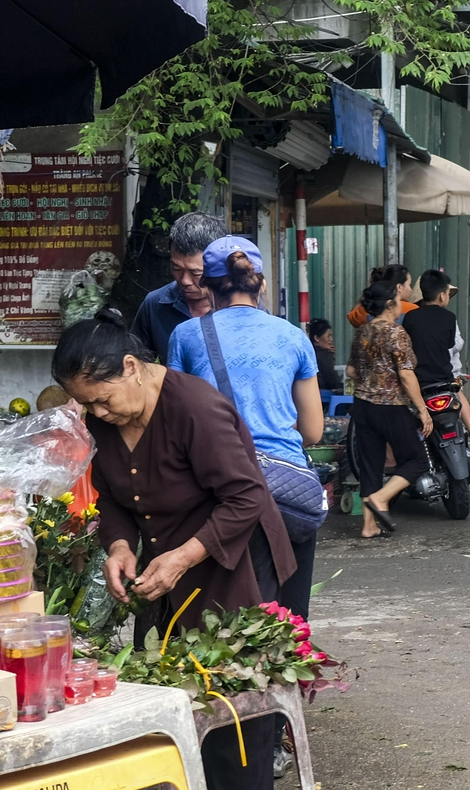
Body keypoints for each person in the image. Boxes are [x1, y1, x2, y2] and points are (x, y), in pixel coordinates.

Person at [53, 313, 296, 790]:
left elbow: (244, 497)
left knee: (233, 693)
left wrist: (186, 556)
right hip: (170, 560)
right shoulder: (109, 421)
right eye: (88, 405)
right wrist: (117, 544)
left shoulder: (195, 408)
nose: (99, 414)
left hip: (234, 555)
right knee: (178, 687)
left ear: (132, 368)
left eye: (104, 398)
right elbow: (112, 494)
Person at [165, 233, 324, 615]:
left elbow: (173, 418)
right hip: (288, 490)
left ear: (207, 287)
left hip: (215, 489)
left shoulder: (185, 336)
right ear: (262, 284)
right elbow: (313, 432)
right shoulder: (294, 337)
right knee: (288, 613)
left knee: (222, 613)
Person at [347, 281, 433, 538]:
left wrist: (370, 380)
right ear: (389, 304)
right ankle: (382, 498)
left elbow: (351, 370)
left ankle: (368, 526)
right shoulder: (397, 333)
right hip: (391, 407)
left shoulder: (362, 332)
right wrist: (422, 410)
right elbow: (406, 376)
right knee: (417, 460)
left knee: (371, 466)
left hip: (362, 406)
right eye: (398, 299)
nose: (401, 305)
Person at [402, 268, 470, 445]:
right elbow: (450, 344)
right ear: (441, 296)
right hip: (444, 379)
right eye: (447, 293)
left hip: (420, 381)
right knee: (460, 399)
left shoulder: (410, 317)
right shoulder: (449, 317)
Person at [129, 211, 219, 360]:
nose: (185, 280)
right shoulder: (155, 304)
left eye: (196, 273)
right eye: (176, 269)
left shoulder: (243, 304)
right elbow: (137, 366)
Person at [347, 264, 418, 328]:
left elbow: (351, 316)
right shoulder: (414, 310)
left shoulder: (367, 308)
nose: (411, 290)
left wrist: (372, 289)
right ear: (399, 287)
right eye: (409, 284)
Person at [308, 318, 343, 395]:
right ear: (316, 338)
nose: (331, 339)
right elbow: (333, 383)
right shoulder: (324, 356)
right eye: (328, 336)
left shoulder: (309, 353)